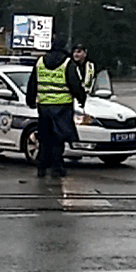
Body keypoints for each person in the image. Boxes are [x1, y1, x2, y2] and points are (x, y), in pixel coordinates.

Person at [26, 35, 87, 179]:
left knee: (44, 137)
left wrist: (30, 100)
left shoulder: (40, 62)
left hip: (44, 106)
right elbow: (75, 84)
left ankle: (41, 168)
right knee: (58, 139)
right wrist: (81, 98)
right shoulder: (67, 63)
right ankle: (57, 168)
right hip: (62, 106)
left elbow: (32, 83)